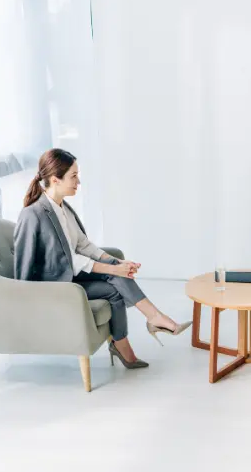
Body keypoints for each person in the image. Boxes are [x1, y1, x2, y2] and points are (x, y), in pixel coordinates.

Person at [13, 148, 191, 369]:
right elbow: (30, 265)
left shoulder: (63, 207)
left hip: (70, 278)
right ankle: (152, 321)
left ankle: (129, 341)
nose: (78, 182)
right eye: (74, 176)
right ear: (55, 179)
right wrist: (112, 268)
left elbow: (82, 246)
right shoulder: (33, 214)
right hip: (54, 286)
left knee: (115, 286)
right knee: (113, 275)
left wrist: (116, 263)